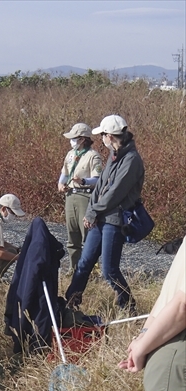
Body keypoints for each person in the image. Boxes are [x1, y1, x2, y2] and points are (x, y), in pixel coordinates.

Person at [65, 115, 144, 313]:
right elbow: (100, 185)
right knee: (85, 262)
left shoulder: (132, 159)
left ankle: (128, 305)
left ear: (110, 135)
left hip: (115, 220)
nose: (101, 139)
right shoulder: (115, 154)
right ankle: (70, 302)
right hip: (102, 218)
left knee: (109, 270)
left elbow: (116, 193)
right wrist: (92, 211)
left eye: (102, 135)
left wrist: (94, 212)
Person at [118, 236, 185, 391]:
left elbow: (173, 299)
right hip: (177, 370)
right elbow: (181, 304)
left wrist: (143, 340)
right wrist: (142, 343)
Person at [58, 123, 103, 274]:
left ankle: (88, 269)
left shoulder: (93, 156)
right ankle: (73, 267)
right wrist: (60, 183)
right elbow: (64, 171)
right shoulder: (70, 154)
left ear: (83, 139)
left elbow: (97, 179)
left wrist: (84, 181)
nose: (72, 141)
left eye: (74, 138)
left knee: (87, 233)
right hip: (70, 195)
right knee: (72, 233)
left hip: (85, 195)